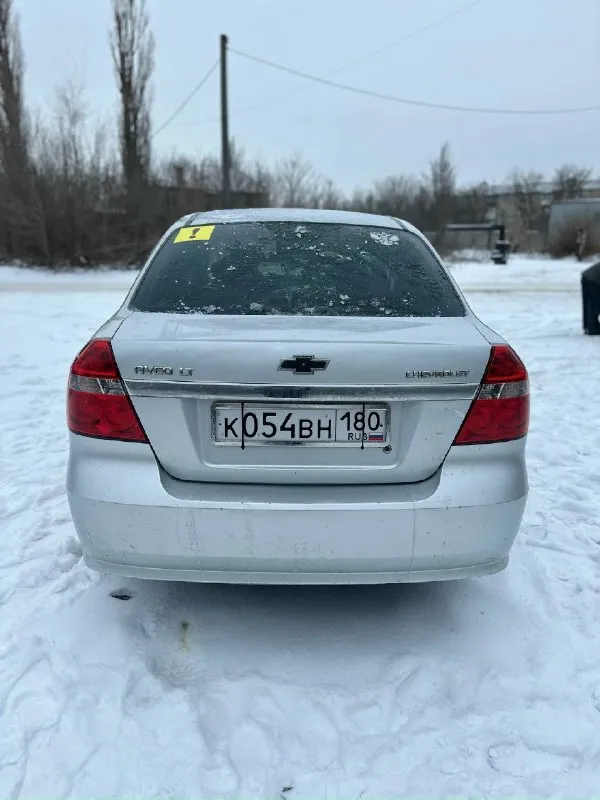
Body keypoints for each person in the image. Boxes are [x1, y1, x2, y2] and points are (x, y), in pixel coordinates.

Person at [581, 261, 600, 335]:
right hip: (592, 279)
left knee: (592, 304)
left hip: (590, 277)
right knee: (595, 304)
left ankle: (589, 326)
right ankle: (592, 328)